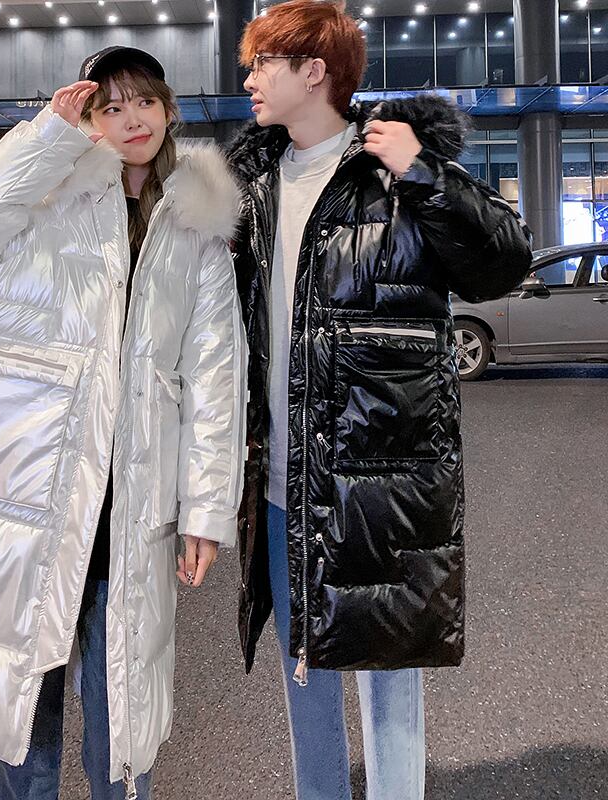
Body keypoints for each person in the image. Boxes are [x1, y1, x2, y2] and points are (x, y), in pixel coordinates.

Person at [0, 46, 247, 800]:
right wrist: (46, 137)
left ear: (169, 110)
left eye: (145, 101)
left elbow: (215, 376)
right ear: (89, 120)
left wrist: (206, 508)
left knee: (120, 710)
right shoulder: (46, 193)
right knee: (19, 703)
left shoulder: (197, 227)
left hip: (129, 503)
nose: (132, 119)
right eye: (111, 106)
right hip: (29, 492)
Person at [226, 2, 533, 799]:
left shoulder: (391, 169)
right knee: (303, 677)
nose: (248, 78)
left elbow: (504, 263)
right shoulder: (252, 186)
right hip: (285, 482)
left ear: (314, 72)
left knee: (391, 690)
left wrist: (424, 172)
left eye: (263, 63)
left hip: (385, 486)